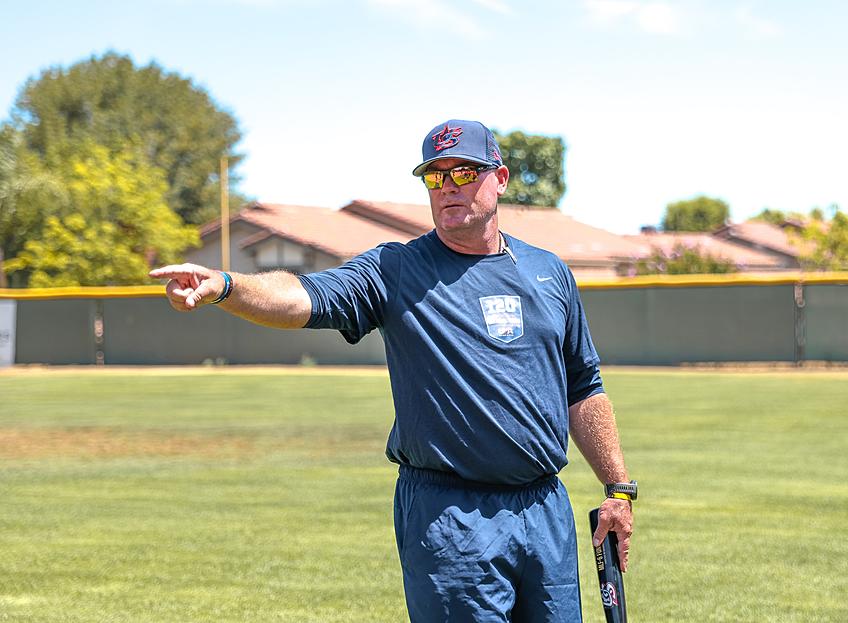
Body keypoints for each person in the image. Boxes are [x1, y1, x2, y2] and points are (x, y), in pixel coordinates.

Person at [150, 119, 635, 622]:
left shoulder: (547, 271)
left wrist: (618, 488)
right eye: (434, 177)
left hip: (543, 510)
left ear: (501, 177)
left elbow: (584, 386)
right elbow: (302, 297)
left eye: (463, 172)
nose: (448, 188)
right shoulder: (395, 269)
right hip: (452, 517)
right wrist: (227, 285)